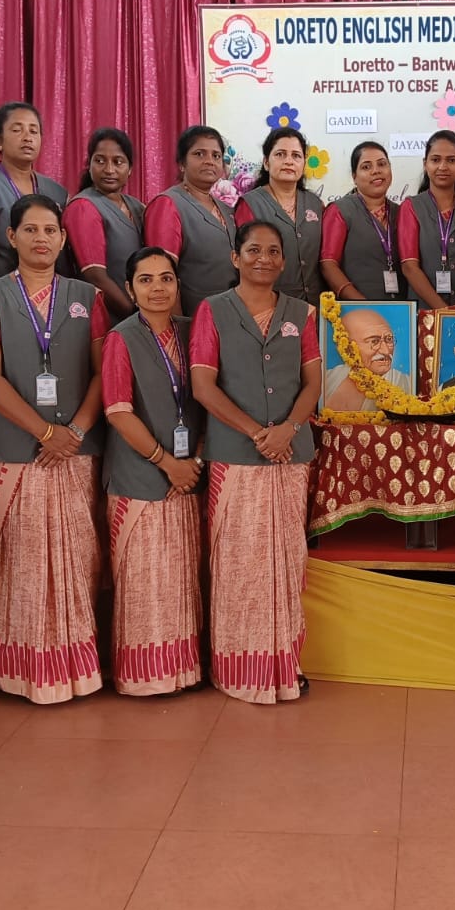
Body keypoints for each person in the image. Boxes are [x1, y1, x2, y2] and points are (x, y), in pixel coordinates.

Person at [0, 193, 110, 703]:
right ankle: (26, 672)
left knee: (78, 557)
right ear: (12, 237)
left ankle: (78, 667)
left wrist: (76, 431)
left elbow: (104, 373)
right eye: (30, 229)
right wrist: (47, 433)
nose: (41, 238)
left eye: (50, 230)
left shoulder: (87, 297)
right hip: (15, 450)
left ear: (64, 238)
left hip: (78, 448)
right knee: (25, 559)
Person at [190, 220, 323, 703]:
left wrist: (288, 429)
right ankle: (238, 668)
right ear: (235, 257)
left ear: (283, 262)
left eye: (272, 251)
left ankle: (285, 663)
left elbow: (313, 382)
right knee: (238, 565)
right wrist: (257, 433)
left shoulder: (302, 313)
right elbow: (203, 386)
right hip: (235, 458)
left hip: (290, 455)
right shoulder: (212, 310)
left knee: (285, 561)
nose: (263, 258)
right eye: (253, 250)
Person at [101, 247, 206, 695]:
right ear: (129, 289)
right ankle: (145, 677)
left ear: (178, 284)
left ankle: (183, 670)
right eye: (145, 280)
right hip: (140, 477)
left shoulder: (193, 330)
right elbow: (117, 412)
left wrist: (194, 462)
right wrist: (168, 463)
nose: (157, 288)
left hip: (189, 475)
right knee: (145, 581)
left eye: (166, 278)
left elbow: (210, 399)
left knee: (180, 577)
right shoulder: (121, 339)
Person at [0, 102, 68, 286]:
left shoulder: (57, 192)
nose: (27, 138)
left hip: (50, 295)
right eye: (17, 130)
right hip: (2, 294)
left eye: (33, 131)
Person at [144, 125, 238, 315]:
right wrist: (177, 325)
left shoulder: (227, 209)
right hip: (192, 318)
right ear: (182, 163)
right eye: (199, 154)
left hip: (230, 316)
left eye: (216, 156)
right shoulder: (167, 204)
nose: (209, 161)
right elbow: (162, 275)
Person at [235, 127, 325, 304]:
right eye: (280, 154)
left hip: (317, 306)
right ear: (266, 163)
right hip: (268, 306)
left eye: (296, 156)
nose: (289, 161)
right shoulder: (250, 204)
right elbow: (243, 261)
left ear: (304, 164)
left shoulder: (316, 204)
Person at [64, 127, 146, 317]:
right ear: (89, 165)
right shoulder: (83, 207)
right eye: (100, 161)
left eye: (118, 162)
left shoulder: (137, 207)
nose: (109, 169)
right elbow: (94, 276)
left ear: (130, 169)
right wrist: (135, 315)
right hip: (108, 317)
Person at [399, 130, 455, 308]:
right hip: (423, 314)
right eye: (435, 160)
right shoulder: (411, 207)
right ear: (425, 164)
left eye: (451, 160)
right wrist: (444, 312)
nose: (443, 167)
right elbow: (409, 267)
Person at [319, 141, 401, 301]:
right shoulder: (340, 211)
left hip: (403, 308)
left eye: (382, 164)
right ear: (354, 177)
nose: (376, 171)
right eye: (366, 167)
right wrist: (361, 303)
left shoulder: (401, 213)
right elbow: (328, 264)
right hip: (356, 309)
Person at [321, 306, 413, 411]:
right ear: (348, 347)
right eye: (374, 341)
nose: (386, 351)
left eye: (389, 339)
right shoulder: (326, 379)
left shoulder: (406, 384)